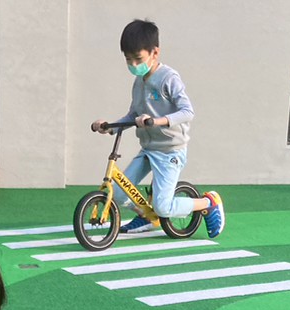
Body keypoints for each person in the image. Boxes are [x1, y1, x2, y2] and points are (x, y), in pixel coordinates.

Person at [91, 18, 225, 238]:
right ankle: (146, 216)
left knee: (163, 207)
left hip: (170, 151)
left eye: (138, 59)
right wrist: (110, 127)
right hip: (149, 148)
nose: (133, 65)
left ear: (155, 53)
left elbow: (187, 111)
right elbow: (133, 115)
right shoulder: (139, 82)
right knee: (119, 195)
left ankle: (208, 202)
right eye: (128, 60)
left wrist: (156, 120)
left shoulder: (168, 78)